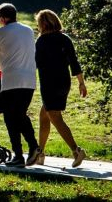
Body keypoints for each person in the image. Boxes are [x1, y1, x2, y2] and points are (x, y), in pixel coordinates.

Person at [0, 3, 41, 167]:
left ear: (2, 18)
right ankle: (33, 147)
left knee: (11, 118)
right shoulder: (28, 30)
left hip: (11, 80)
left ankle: (20, 154)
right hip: (30, 80)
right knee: (20, 114)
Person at [33, 9, 88, 168]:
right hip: (64, 83)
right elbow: (74, 62)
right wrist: (81, 83)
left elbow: (35, 64)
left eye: (38, 23)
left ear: (43, 24)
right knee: (44, 115)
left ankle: (77, 151)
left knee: (55, 117)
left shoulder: (42, 41)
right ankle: (40, 153)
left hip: (49, 83)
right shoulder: (65, 38)